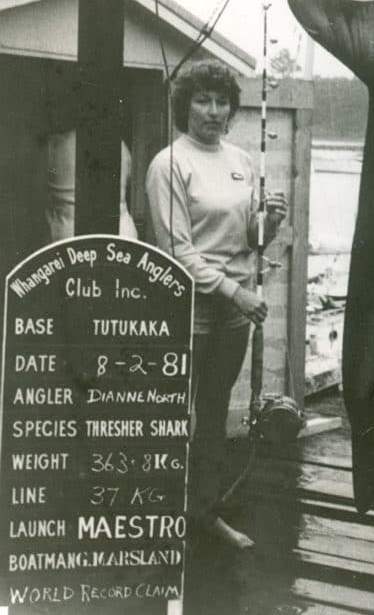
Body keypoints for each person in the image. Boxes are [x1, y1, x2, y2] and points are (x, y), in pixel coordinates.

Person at [145, 59, 287, 549]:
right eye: (202, 100)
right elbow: (177, 250)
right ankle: (159, 515)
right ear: (185, 106)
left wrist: (269, 222)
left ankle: (203, 514)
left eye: (220, 101)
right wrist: (236, 292)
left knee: (213, 412)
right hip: (188, 305)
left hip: (235, 309)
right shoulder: (169, 164)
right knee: (171, 411)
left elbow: (252, 239)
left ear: (231, 109)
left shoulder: (242, 161)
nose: (212, 110)